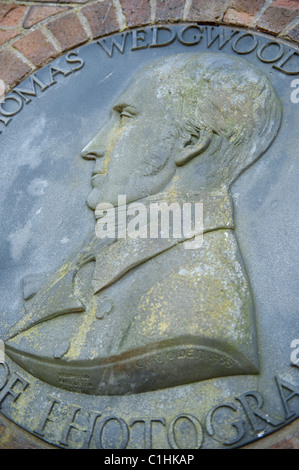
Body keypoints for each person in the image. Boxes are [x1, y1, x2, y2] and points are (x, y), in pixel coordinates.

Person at [5, 53, 282, 395]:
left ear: (190, 141)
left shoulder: (197, 300)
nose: (92, 147)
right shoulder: (116, 240)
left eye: (125, 116)